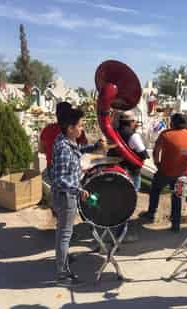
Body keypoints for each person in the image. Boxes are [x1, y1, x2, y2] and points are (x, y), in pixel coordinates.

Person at [51, 108, 106, 286]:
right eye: (80, 126)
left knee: (65, 233)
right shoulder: (63, 149)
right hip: (66, 196)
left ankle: (63, 261)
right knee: (64, 235)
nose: (82, 129)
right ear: (70, 128)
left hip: (68, 195)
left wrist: (94, 147)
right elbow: (59, 179)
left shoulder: (66, 141)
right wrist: (78, 190)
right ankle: (62, 275)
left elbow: (79, 150)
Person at [139, 113, 187, 232]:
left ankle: (151, 213)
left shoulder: (165, 134)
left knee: (155, 189)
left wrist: (157, 164)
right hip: (181, 172)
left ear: (173, 122)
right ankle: (176, 225)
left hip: (166, 171)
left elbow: (156, 152)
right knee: (177, 196)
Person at [109, 110, 149, 191]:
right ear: (131, 122)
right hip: (131, 171)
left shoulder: (113, 133)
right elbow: (143, 154)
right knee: (130, 197)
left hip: (116, 168)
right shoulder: (134, 136)